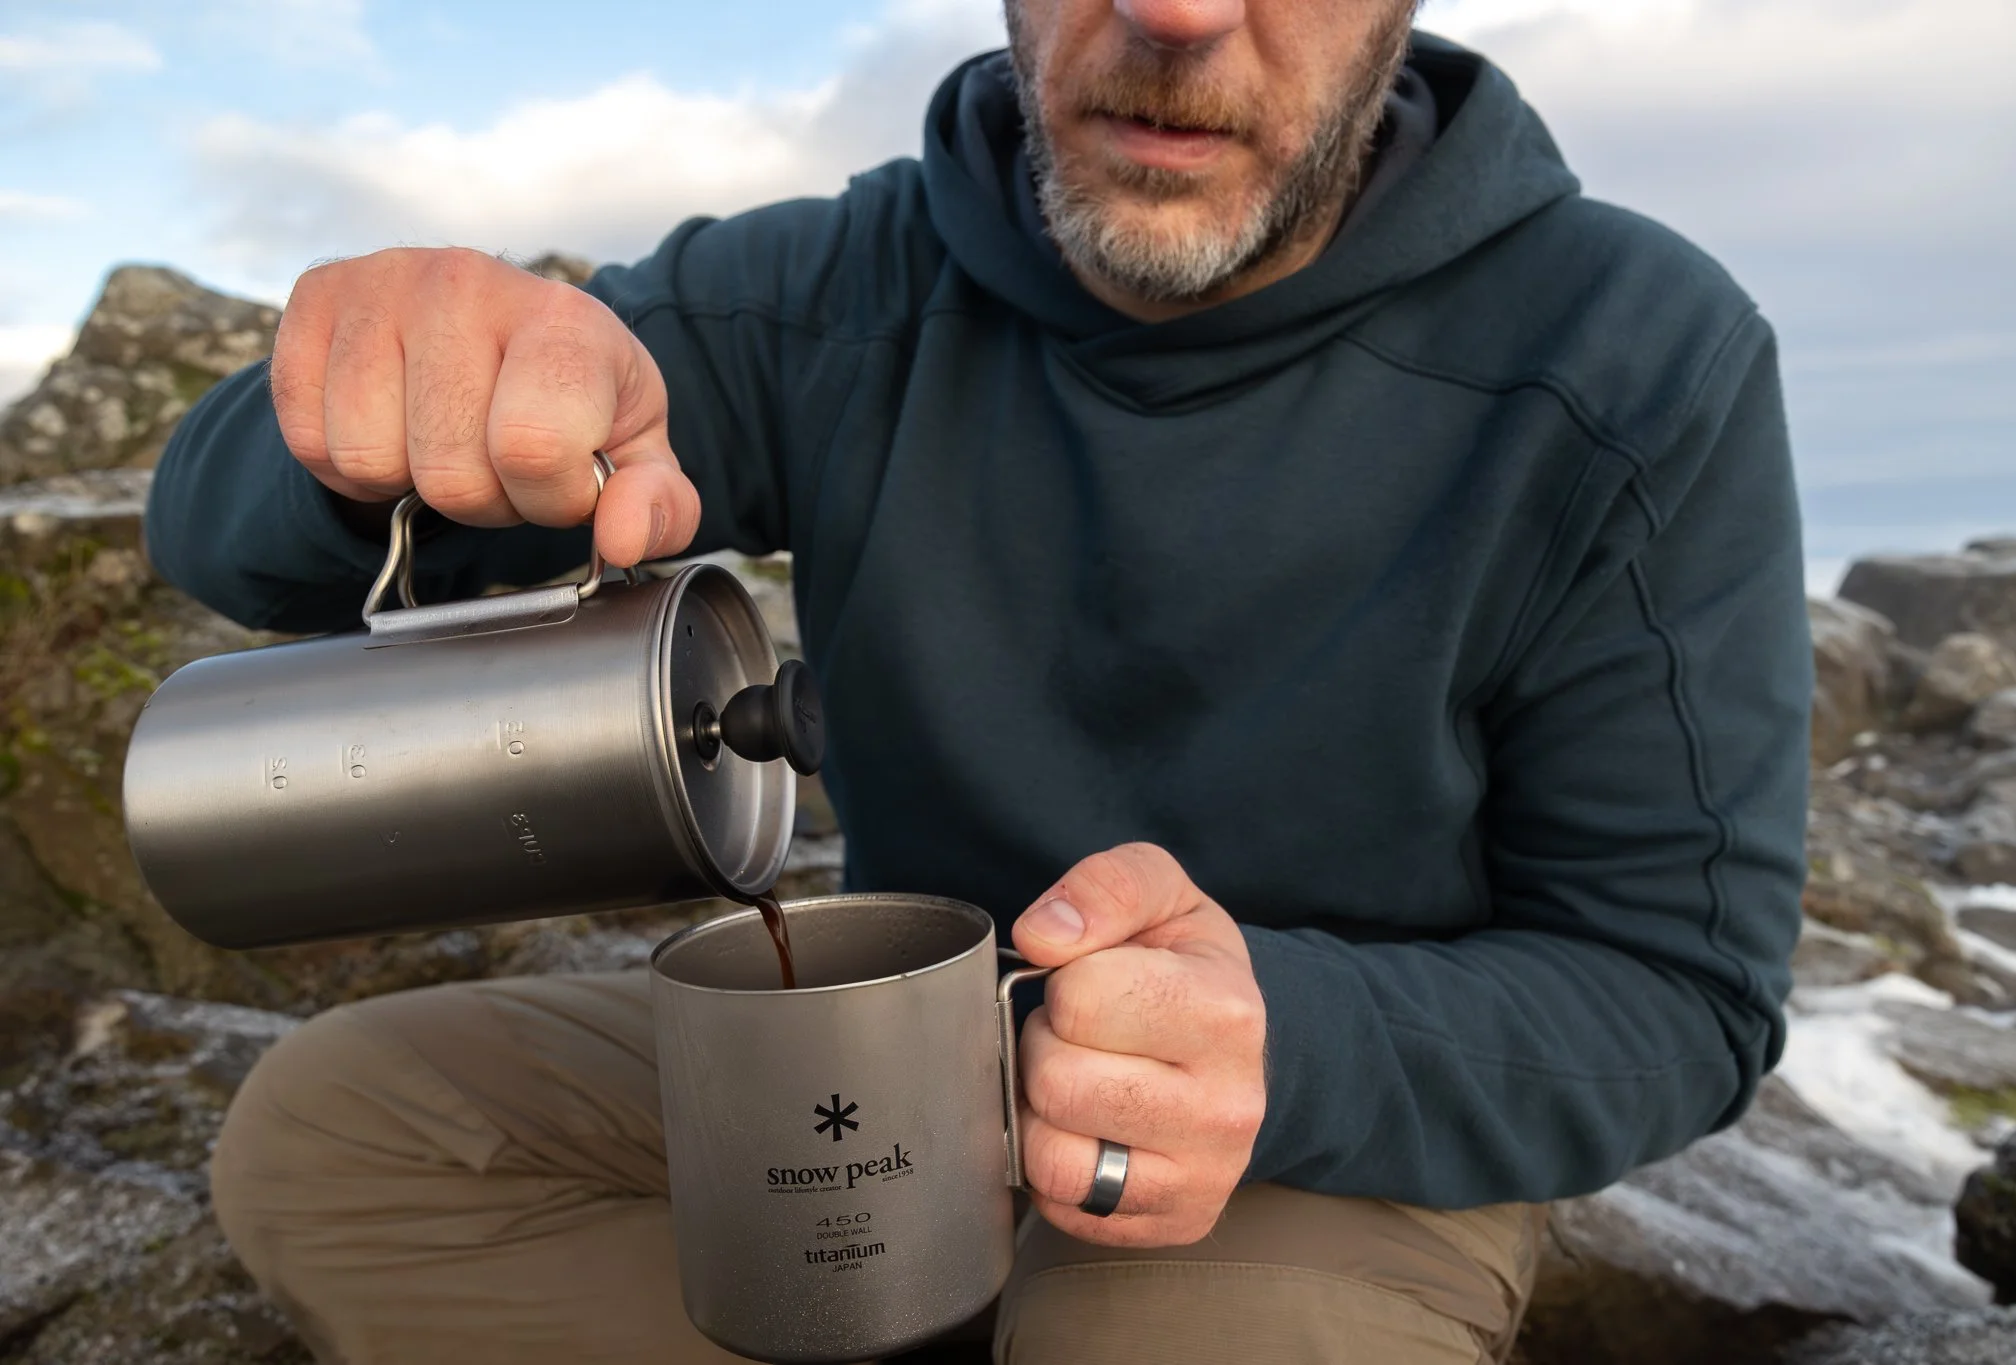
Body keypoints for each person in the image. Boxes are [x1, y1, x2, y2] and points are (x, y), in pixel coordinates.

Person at [146, 1, 1811, 1361]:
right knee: (341, 1139)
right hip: (889, 1061)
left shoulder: (1634, 353)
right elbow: (235, 542)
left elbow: (1678, 991)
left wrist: (1291, 1045)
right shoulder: (837, 287)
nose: (1173, 11)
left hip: (1314, 1136)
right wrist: (391, 392)